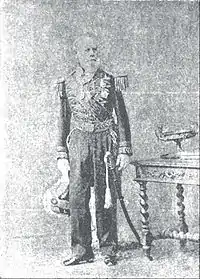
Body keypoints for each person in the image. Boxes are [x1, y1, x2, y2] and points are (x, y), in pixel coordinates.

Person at [56, 33, 132, 266]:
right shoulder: (66, 82)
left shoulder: (111, 79)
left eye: (95, 50)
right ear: (78, 54)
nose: (92, 54)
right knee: (78, 197)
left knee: (105, 196)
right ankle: (81, 250)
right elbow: (63, 120)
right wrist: (61, 154)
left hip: (105, 143)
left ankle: (109, 248)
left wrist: (124, 149)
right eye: (87, 50)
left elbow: (121, 118)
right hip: (79, 142)